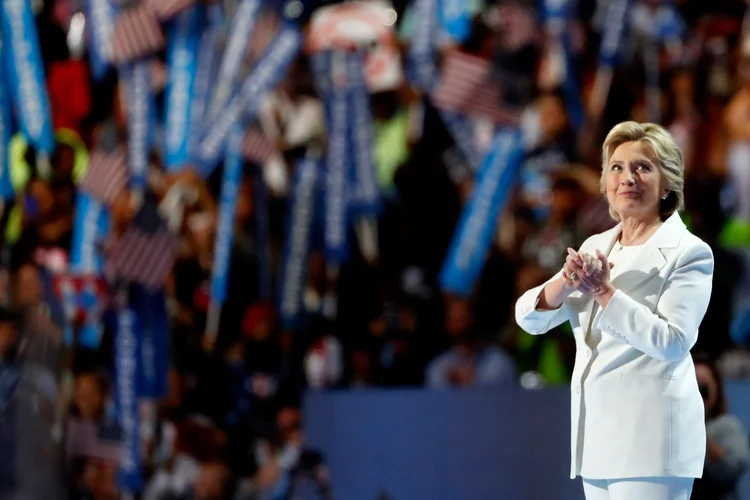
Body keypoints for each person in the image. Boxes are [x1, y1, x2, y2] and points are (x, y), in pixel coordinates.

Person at [515, 121, 714, 500]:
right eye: (617, 167)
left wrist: (604, 292)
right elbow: (528, 319)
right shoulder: (597, 245)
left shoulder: (689, 252)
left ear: (667, 183)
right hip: (598, 440)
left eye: (643, 167)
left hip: (651, 441)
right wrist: (566, 282)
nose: (628, 178)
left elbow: (672, 340)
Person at [691, 354, 749, 500]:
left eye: (703, 387)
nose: (698, 393)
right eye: (693, 385)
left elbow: (736, 466)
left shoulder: (727, 426)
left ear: (716, 388)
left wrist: (698, 428)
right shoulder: (672, 430)